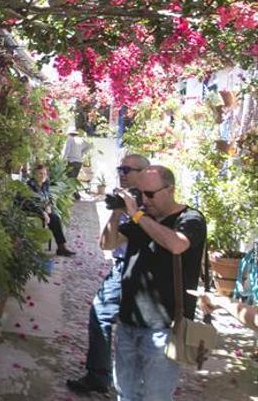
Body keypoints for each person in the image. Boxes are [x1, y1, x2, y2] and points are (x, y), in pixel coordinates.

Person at [101, 166, 206, 400]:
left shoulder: (190, 219)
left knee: (155, 397)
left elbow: (177, 244)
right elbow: (107, 244)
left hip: (164, 328)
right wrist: (117, 212)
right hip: (128, 323)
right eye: (140, 193)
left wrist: (138, 216)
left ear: (170, 190)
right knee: (125, 393)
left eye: (150, 194)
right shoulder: (142, 218)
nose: (144, 200)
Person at [66, 154, 150, 394]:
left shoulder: (147, 203)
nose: (122, 173)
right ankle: (100, 376)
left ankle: (115, 379)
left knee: (129, 325)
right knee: (100, 314)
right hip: (121, 267)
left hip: (139, 270)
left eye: (127, 170)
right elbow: (106, 244)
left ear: (143, 173)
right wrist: (116, 211)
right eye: (120, 168)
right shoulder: (124, 200)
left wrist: (131, 210)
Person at [26, 164, 75, 257]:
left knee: (55, 218)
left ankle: (61, 248)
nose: (43, 175)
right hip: (31, 210)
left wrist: (48, 206)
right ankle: (61, 248)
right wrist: (43, 213)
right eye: (40, 173)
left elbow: (48, 198)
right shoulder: (30, 185)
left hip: (42, 210)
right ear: (35, 174)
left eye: (45, 173)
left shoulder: (45, 184)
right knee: (54, 218)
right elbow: (30, 203)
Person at [62, 128, 91, 198]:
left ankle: (71, 195)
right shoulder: (81, 139)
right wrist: (81, 153)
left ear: (69, 134)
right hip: (79, 162)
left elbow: (67, 150)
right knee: (73, 179)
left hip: (71, 162)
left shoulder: (70, 139)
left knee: (69, 179)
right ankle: (75, 194)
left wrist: (63, 159)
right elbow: (89, 146)